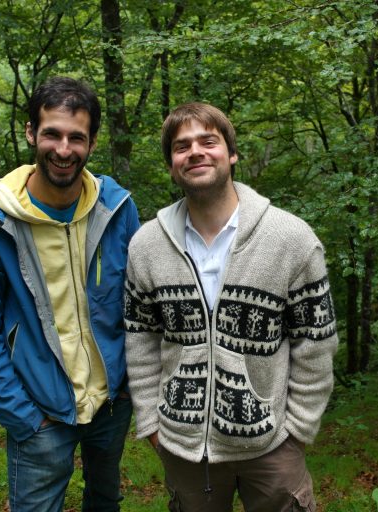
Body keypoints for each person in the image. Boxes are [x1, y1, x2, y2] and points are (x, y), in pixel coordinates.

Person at [123, 102, 338, 511]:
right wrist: (152, 423)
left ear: (231, 153)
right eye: (182, 146)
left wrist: (298, 429)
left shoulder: (290, 238)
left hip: (271, 446)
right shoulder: (146, 245)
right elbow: (141, 340)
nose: (196, 152)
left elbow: (316, 342)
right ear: (172, 164)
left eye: (209, 141)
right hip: (184, 447)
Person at [0, 76, 140, 512]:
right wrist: (23, 418)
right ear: (30, 133)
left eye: (76, 137)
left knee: (105, 501)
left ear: (92, 143)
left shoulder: (116, 208)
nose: (63, 149)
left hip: (111, 405)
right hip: (40, 413)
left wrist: (131, 387)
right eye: (52, 134)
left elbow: (139, 306)